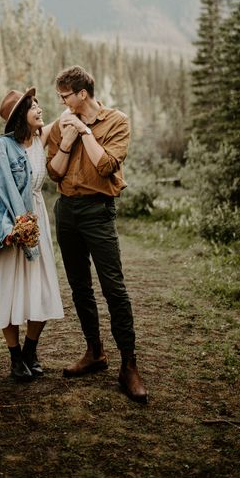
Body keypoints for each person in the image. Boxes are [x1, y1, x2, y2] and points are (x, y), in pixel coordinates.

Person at [47, 66, 148, 403]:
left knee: (113, 288)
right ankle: (95, 352)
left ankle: (129, 366)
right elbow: (53, 173)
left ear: (82, 94)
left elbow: (106, 166)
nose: (61, 102)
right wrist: (68, 136)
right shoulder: (64, 124)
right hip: (66, 211)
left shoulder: (116, 121)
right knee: (79, 285)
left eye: (65, 96)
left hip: (97, 211)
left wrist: (84, 132)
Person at [0, 87, 64, 382]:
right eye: (33, 106)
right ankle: (15, 357)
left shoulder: (38, 140)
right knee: (7, 290)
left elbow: (65, 119)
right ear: (21, 115)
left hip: (36, 220)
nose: (40, 109)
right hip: (10, 225)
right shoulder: (1, 148)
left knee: (42, 286)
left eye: (39, 104)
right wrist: (8, 229)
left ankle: (31, 350)